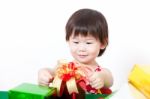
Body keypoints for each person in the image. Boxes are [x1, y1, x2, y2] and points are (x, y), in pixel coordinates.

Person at [38, 8, 113, 94]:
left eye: (88, 43)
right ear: (68, 41)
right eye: (76, 42)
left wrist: (101, 78)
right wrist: (44, 73)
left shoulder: (98, 72)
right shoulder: (66, 68)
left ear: (103, 43)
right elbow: (52, 71)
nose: (81, 48)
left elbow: (109, 79)